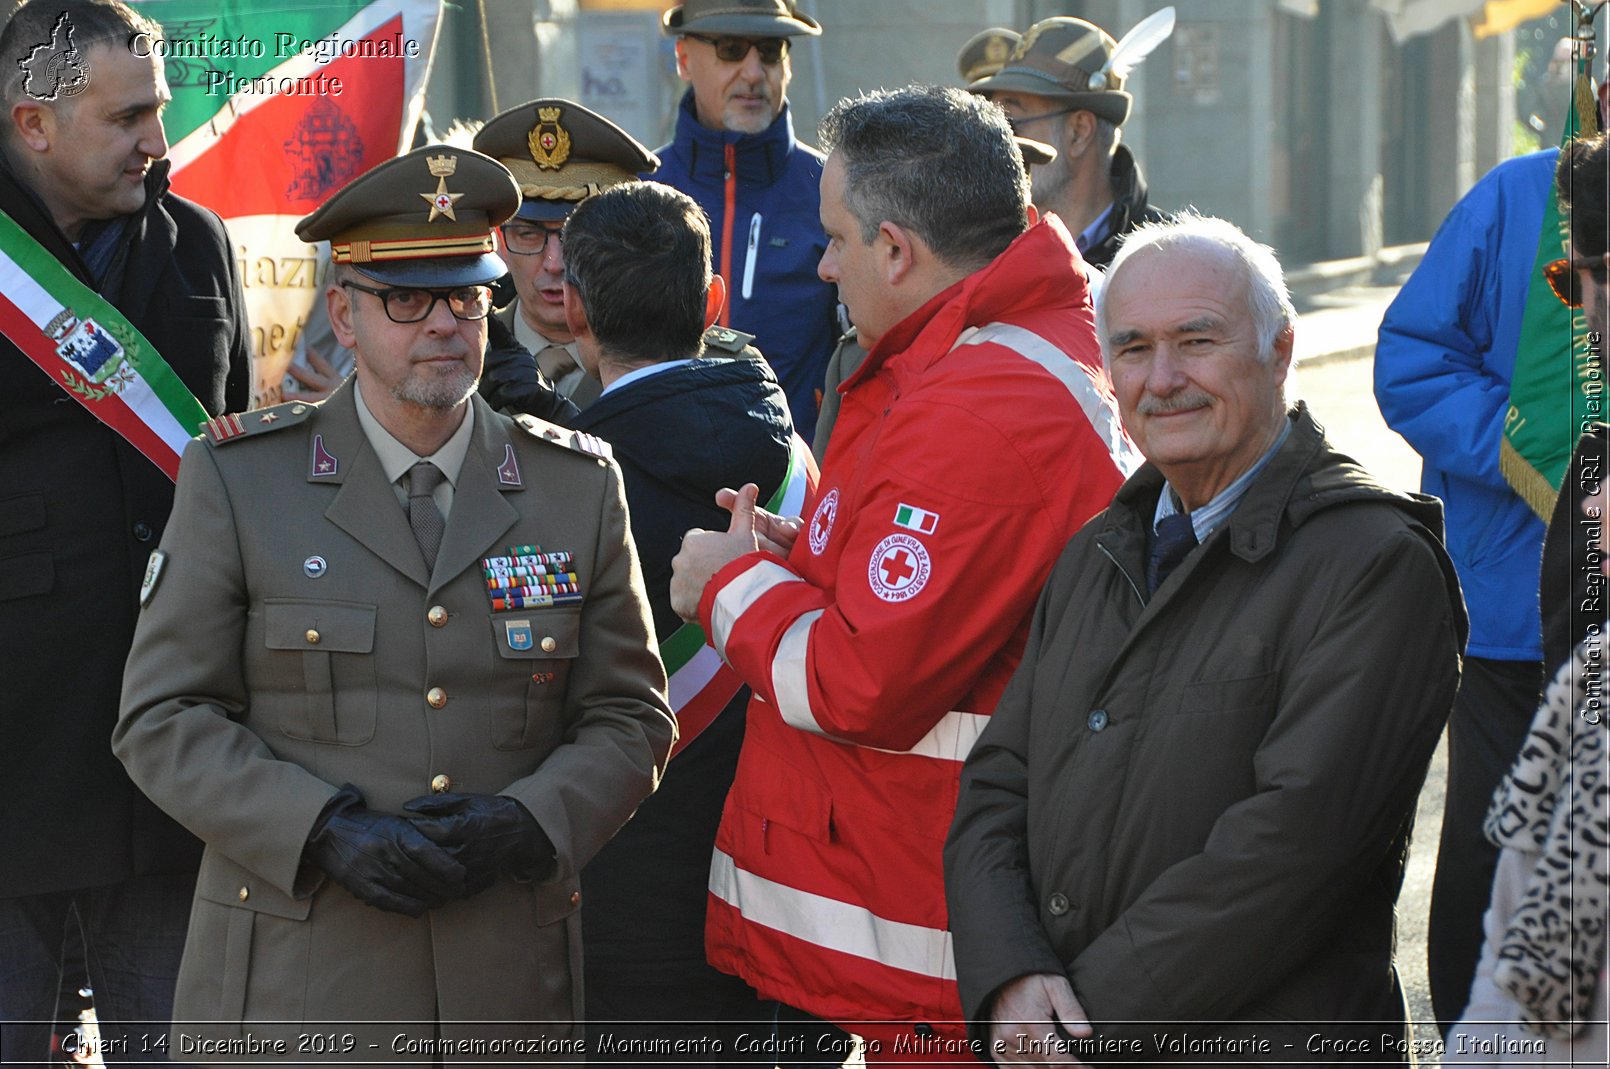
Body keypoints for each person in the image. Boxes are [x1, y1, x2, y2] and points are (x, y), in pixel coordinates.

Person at [111, 145, 675, 1060]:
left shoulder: (574, 484)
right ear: (343, 311)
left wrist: (532, 821)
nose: (446, 324)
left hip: (501, 976)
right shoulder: (241, 479)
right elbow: (162, 718)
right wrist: (320, 828)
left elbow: (630, 717)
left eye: (468, 295)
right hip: (297, 979)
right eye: (407, 299)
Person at [668, 85, 1134, 1055]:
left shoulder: (979, 400)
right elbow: (937, 583)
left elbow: (858, 681)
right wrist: (803, 559)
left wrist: (725, 585)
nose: (824, 264)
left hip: (948, 926)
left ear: (896, 250)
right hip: (950, 897)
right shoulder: (997, 352)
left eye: (835, 237)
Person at [946, 215, 1467, 1063]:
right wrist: (1009, 973)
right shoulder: (1098, 548)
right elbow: (998, 784)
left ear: (1281, 350)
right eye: (1133, 348)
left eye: (1197, 340)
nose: (1163, 379)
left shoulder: (1373, 562)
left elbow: (1292, 854)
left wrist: (1078, 1026)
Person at [0, 2, 251, 1063]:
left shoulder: (195, 243)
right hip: (16, 758)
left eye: (161, 109)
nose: (161, 140)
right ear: (33, 125)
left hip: (170, 766)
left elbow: (229, 462)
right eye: (131, 117)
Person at [559, 179, 795, 1061]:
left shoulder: (570, 488)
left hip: (620, 905)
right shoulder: (794, 448)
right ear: (713, 302)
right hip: (778, 889)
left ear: (573, 311)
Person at [1374, 148, 1561, 1031]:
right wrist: (1534, 454)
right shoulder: (1519, 196)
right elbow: (1413, 362)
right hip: (1513, 623)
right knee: (1499, 866)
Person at [1443, 133, 1609, 1068]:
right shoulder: (1511, 194)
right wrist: (1518, 445)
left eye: (1584, 282)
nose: (1578, 316)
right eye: (1563, 282)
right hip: (1502, 618)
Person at [651, 0, 839, 442]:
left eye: (771, 50)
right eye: (731, 49)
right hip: (663, 477)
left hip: (801, 486)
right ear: (683, 58)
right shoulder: (641, 189)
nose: (755, 73)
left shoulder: (836, 192)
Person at [473, 98, 659, 414]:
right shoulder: (460, 351)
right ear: (499, 241)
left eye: (575, 235)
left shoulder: (667, 355)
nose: (555, 262)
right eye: (528, 234)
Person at [969, 15, 1169, 270]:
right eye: (991, 125)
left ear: (1079, 132)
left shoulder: (1168, 257)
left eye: (1009, 124)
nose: (997, 142)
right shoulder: (976, 249)